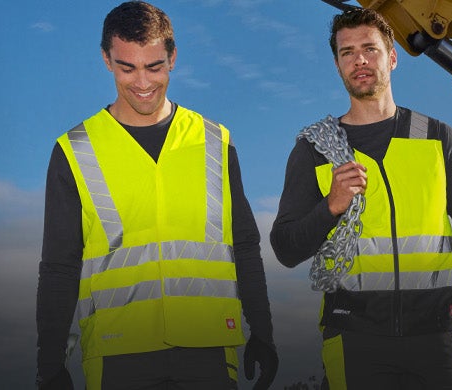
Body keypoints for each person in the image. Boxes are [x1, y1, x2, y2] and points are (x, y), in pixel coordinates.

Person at [271, 8, 452, 390]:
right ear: (337, 65)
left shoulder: (438, 139)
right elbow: (286, 247)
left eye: (369, 49)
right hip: (355, 337)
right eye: (347, 52)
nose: (359, 60)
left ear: (391, 57)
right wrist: (331, 207)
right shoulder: (314, 151)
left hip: (436, 334)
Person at [36, 2, 275, 389]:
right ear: (106, 60)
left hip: (209, 348)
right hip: (118, 354)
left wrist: (262, 332)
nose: (142, 82)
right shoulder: (75, 150)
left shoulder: (214, 141)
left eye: (154, 66)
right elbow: (60, 266)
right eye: (127, 67)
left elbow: (244, 245)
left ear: (173, 57)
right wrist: (49, 362)